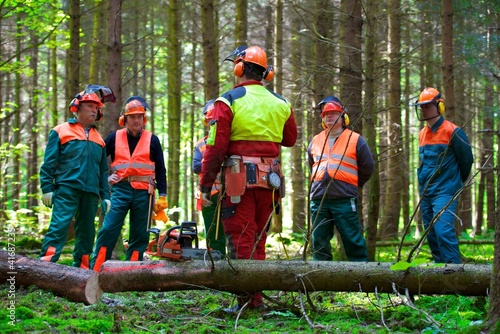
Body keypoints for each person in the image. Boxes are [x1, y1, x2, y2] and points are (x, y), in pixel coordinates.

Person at [200, 45, 297, 312]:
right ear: (266, 72)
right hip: (270, 183)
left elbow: (216, 148)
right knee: (258, 240)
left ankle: (248, 302)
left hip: (238, 182)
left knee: (242, 240)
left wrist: (205, 185)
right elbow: (290, 139)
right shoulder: (281, 103)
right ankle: (256, 298)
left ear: (239, 68)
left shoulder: (227, 101)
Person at [39, 84, 115, 268]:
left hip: (90, 192)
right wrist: (47, 189)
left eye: (96, 107)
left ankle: (81, 267)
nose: (94, 110)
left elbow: (103, 171)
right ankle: (45, 265)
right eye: (90, 106)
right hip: (67, 188)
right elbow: (49, 162)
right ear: (77, 107)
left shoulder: (99, 138)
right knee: (59, 226)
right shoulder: (60, 131)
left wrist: (106, 196)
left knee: (87, 231)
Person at [91, 96, 168, 272]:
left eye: (139, 117)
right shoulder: (113, 138)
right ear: (124, 119)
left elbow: (161, 169)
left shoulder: (152, 140)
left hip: (145, 192)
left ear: (144, 119)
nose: (136, 120)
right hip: (120, 189)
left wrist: (162, 195)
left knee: (140, 234)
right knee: (108, 228)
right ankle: (95, 270)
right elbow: (100, 162)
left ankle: (130, 272)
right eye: (132, 117)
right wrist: (105, 180)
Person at [307, 96, 374, 262]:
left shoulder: (355, 139)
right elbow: (312, 165)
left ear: (343, 116)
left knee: (353, 240)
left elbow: (368, 166)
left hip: (344, 198)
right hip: (319, 198)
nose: (329, 116)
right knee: (319, 242)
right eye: (326, 114)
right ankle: (320, 279)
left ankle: (362, 278)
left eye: (333, 113)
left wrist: (351, 184)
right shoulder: (315, 140)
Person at [414, 87, 473, 264]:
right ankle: (439, 276)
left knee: (443, 231)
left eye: (427, 106)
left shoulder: (452, 131)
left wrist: (454, 182)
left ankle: (454, 275)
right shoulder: (422, 134)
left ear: (439, 106)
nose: (423, 110)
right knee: (430, 233)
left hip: (445, 191)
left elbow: (467, 160)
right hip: (426, 191)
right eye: (421, 107)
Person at [192, 99, 226, 256]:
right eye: (210, 120)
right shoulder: (200, 145)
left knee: (228, 231)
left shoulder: (229, 142)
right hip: (208, 195)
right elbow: (196, 167)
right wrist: (211, 160)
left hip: (228, 193)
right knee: (212, 233)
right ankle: (215, 260)